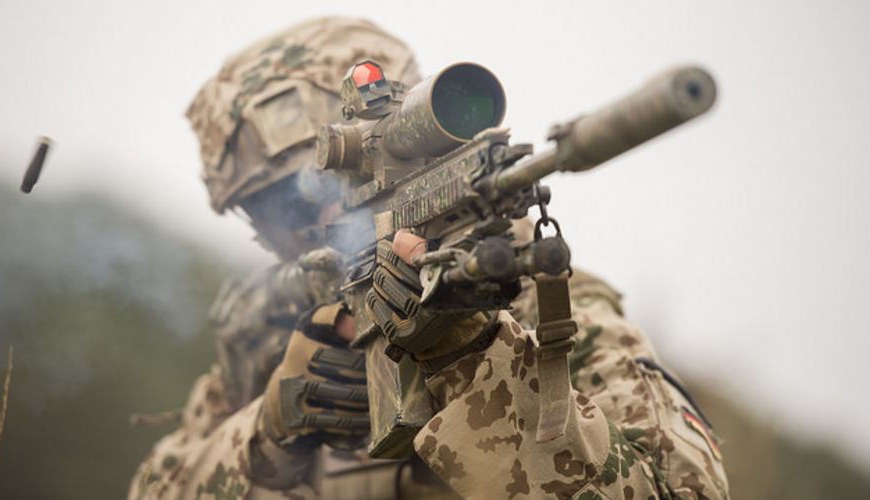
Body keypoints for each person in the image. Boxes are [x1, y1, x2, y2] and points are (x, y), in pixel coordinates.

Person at [128, 15, 729, 500]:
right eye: (276, 209)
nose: (316, 222)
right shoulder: (274, 344)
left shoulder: (561, 318)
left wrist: (467, 353)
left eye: (320, 188)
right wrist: (266, 438)